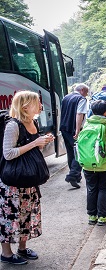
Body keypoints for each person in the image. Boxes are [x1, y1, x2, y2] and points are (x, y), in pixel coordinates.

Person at [0, 91, 54, 265]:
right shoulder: (13, 125)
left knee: (26, 214)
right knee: (10, 216)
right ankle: (6, 254)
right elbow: (8, 154)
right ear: (25, 106)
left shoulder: (33, 122)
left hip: (29, 181)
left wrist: (43, 142)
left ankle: (22, 248)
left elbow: (32, 151)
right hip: (12, 182)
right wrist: (35, 143)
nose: (40, 105)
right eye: (37, 102)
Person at [82, 100, 106, 226]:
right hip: (105, 164)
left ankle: (92, 216)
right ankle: (103, 216)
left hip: (87, 163)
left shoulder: (87, 123)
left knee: (91, 188)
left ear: (92, 111)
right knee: (104, 189)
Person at [60, 83, 89, 189]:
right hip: (73, 129)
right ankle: (72, 175)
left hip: (64, 128)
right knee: (80, 152)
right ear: (82, 90)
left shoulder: (66, 97)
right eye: (86, 92)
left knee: (70, 152)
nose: (86, 95)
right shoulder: (81, 99)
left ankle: (76, 175)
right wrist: (77, 130)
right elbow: (79, 114)